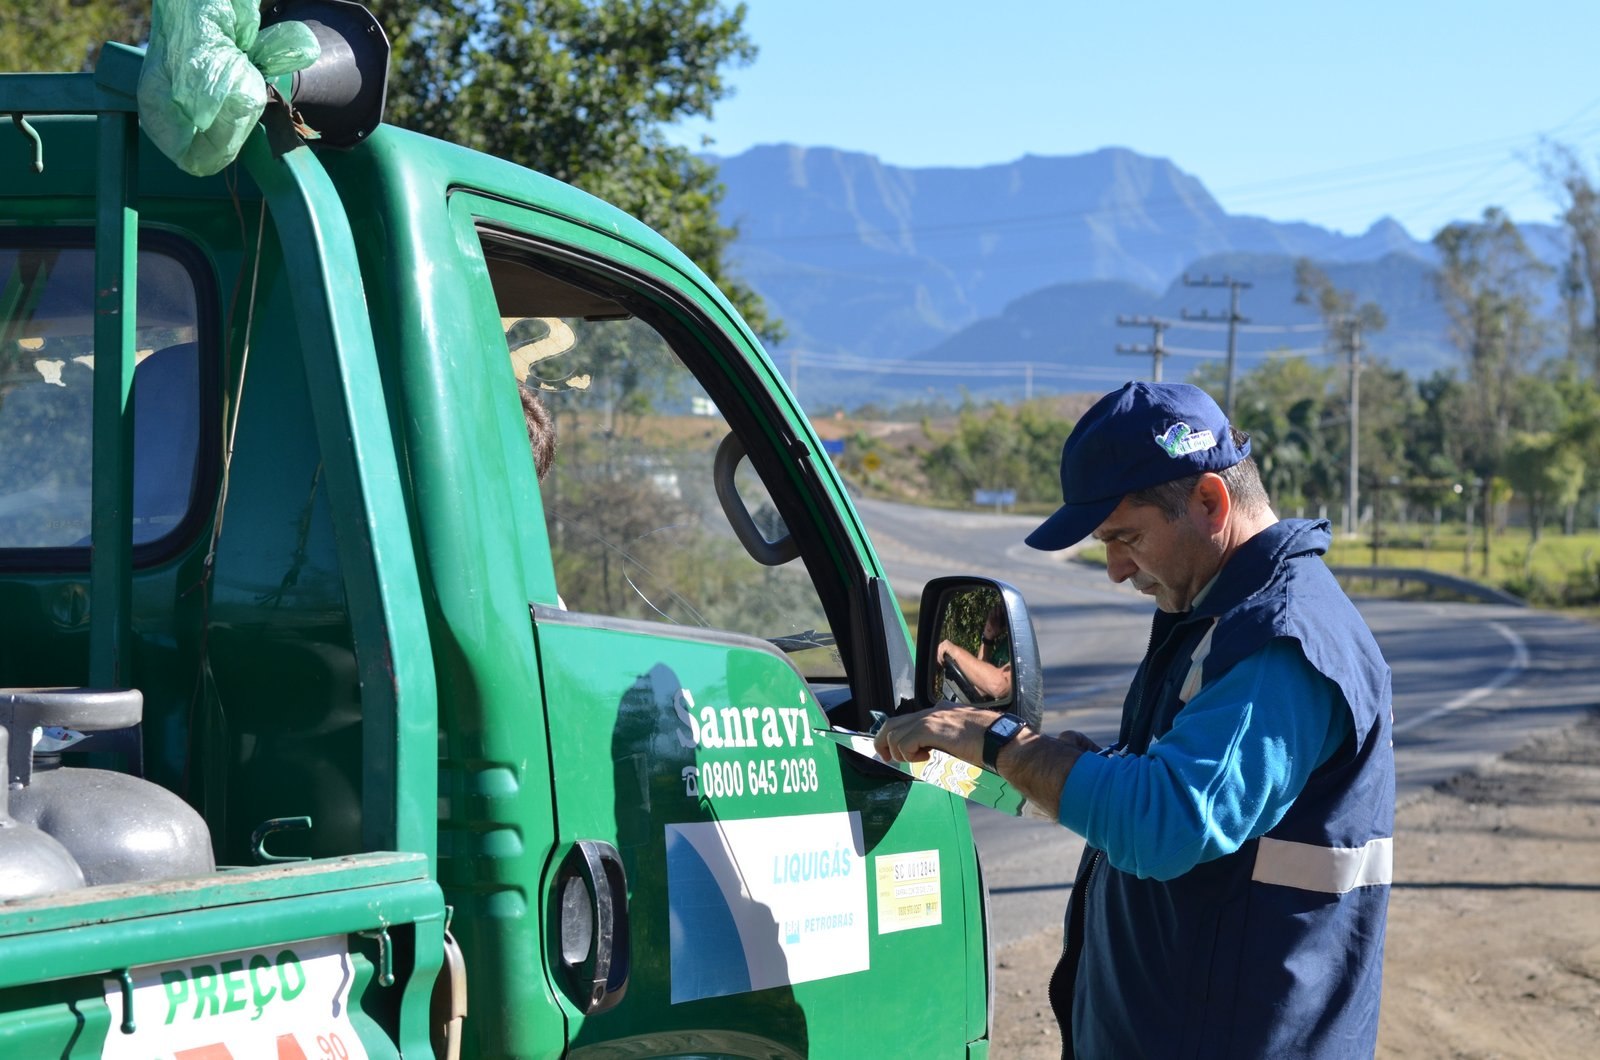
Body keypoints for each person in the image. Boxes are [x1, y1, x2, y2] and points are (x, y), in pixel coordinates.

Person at [876, 381, 1394, 1059]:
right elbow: (1155, 790)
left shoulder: (1278, 642)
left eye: (1126, 537)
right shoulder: (1213, 619)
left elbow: (1168, 821)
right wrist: (1012, 760)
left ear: (1210, 501)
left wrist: (1001, 742)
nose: (1117, 569)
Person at [936, 601, 1013, 701]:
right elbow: (981, 682)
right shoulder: (1007, 643)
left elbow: (998, 686)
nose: (999, 609)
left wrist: (955, 652)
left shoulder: (1023, 646)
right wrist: (988, 637)